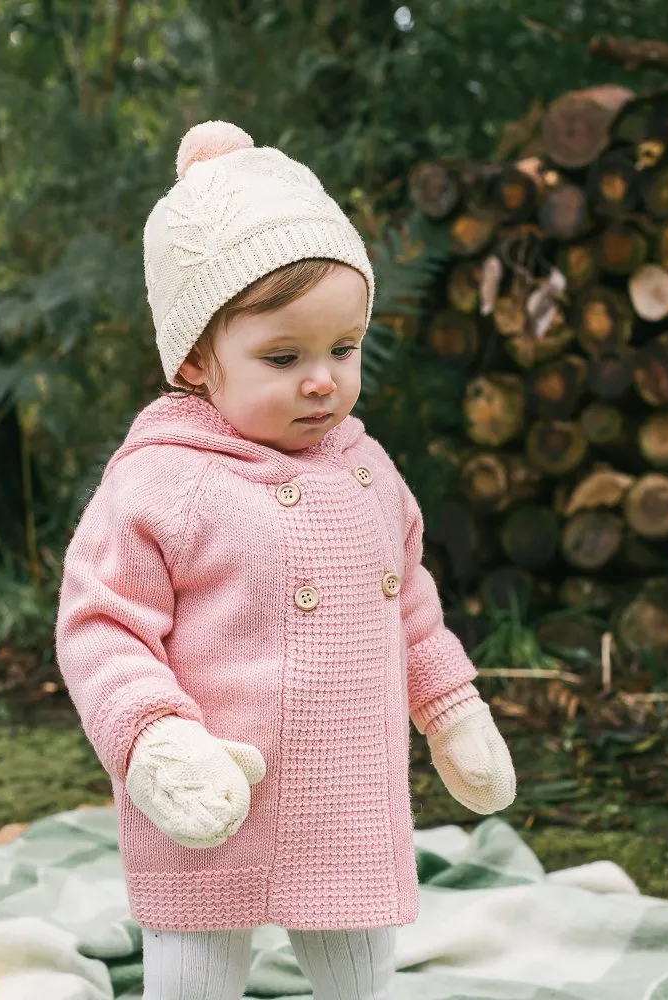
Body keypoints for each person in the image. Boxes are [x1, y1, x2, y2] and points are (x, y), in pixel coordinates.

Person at [54, 120, 517, 1000]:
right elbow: (102, 625)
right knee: (194, 973)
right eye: (283, 356)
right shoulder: (162, 481)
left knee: (358, 975)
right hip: (211, 786)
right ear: (195, 359)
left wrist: (451, 705)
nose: (323, 381)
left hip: (344, 784)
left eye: (344, 349)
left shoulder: (367, 468)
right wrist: (153, 738)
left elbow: (409, 601)